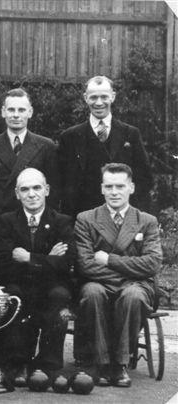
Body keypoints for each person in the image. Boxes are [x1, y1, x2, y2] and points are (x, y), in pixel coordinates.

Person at [74, 163, 162, 388]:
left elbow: (152, 263)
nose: (114, 192)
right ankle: (102, 363)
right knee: (92, 292)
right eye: (109, 186)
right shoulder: (86, 219)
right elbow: (85, 265)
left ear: (131, 188)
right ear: (101, 188)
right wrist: (128, 272)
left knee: (133, 295)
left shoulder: (147, 221)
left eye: (120, 186)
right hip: (100, 283)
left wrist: (110, 260)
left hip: (136, 287)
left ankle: (120, 364)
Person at [0, 168, 74, 385]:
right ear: (17, 194)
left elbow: (66, 265)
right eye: (25, 189)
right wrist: (48, 259)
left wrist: (29, 257)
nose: (32, 194)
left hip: (51, 286)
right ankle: (18, 363)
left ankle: (48, 365)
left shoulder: (62, 222)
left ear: (46, 190)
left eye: (37, 187)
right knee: (14, 294)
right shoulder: (5, 222)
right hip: (17, 283)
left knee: (59, 295)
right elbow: (3, 265)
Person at [58, 76, 152, 217]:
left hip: (122, 217)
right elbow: (62, 183)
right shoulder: (69, 137)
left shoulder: (131, 134)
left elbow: (144, 179)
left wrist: (134, 215)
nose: (99, 103)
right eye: (93, 97)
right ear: (85, 98)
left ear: (113, 97)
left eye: (104, 97)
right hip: (83, 218)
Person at [0, 88, 59, 215]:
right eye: (11, 110)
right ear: (3, 112)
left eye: (21, 110)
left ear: (30, 112)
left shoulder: (46, 146)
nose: (16, 115)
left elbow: (53, 193)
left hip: (33, 218)